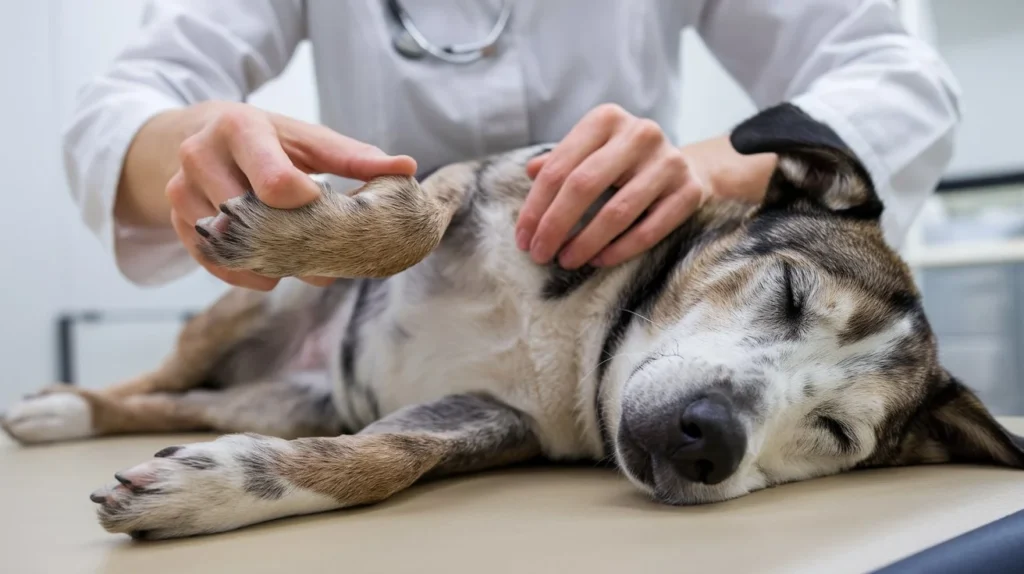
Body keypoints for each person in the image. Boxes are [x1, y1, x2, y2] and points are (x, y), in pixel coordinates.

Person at [63, 1, 961, 292]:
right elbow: (119, 113)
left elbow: (897, 78)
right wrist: (195, 150)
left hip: (625, 312)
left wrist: (706, 170)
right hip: (378, 342)